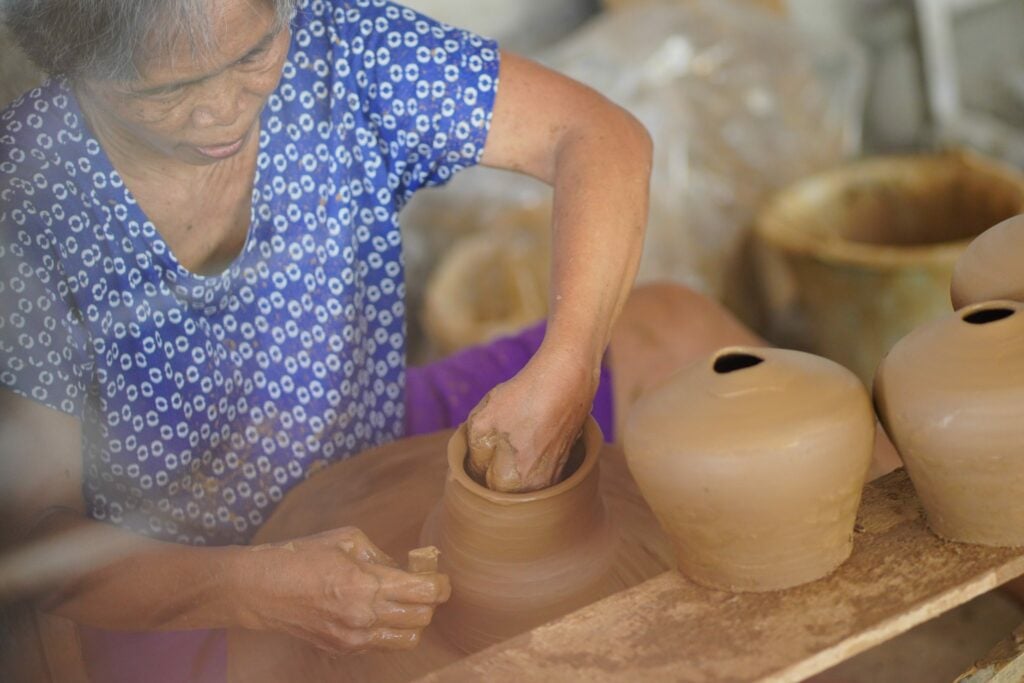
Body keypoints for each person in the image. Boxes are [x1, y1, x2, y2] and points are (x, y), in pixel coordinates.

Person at [0, 0, 896, 680]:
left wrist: (570, 363)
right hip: (182, 584)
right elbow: (34, 545)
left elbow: (600, 136)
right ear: (75, 69)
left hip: (379, 444)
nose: (223, 109)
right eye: (168, 92)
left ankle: (934, 580)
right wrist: (250, 586)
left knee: (672, 329)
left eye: (252, 53)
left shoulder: (337, 47)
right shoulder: (30, 191)